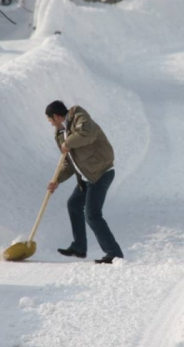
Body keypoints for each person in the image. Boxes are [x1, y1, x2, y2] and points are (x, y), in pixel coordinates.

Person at [45, 100, 124, 264]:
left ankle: (114, 254)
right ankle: (79, 247)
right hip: (86, 177)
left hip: (101, 173)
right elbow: (68, 162)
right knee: (73, 204)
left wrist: (67, 142)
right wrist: (57, 180)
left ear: (57, 116)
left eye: (50, 120)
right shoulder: (60, 134)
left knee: (92, 215)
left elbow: (86, 134)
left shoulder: (80, 117)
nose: (51, 124)